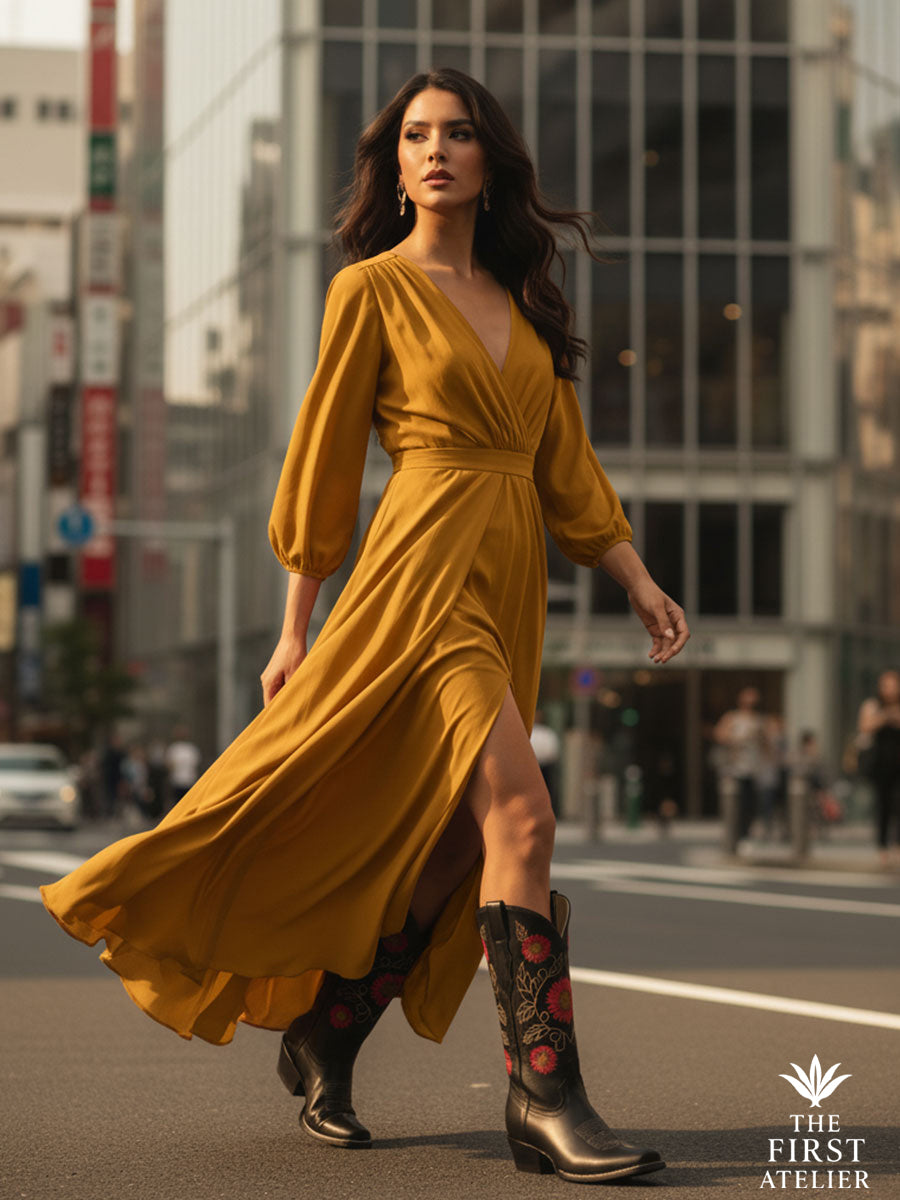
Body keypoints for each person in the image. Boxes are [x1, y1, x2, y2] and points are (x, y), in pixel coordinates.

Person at [40, 69, 689, 1184]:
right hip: (419, 581)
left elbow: (565, 467)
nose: (435, 150)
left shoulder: (526, 302)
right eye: (416, 135)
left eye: (458, 134)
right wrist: (294, 628)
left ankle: (327, 1035)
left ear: (490, 162)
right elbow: (326, 460)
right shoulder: (370, 290)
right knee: (524, 814)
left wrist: (633, 575)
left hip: (508, 581)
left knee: (456, 842)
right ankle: (545, 1097)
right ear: (394, 166)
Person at [856, 669, 900, 868]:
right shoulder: (872, 705)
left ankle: (897, 846)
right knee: (883, 804)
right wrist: (885, 716)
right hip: (881, 762)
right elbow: (864, 727)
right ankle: (882, 847)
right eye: (886, 685)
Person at [713, 685, 767, 842]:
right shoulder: (732, 717)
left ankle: (745, 833)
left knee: (750, 804)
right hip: (734, 768)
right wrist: (737, 739)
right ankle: (734, 834)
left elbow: (766, 744)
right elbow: (719, 735)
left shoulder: (759, 720)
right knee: (736, 802)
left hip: (753, 768)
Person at [529, 709, 561, 815]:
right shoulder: (528, 730)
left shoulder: (547, 732)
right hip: (531, 766)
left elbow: (553, 749)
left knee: (546, 790)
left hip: (545, 766)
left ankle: (547, 811)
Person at [163, 725, 202, 810]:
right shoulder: (173, 748)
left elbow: (195, 765)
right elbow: (169, 765)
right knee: (178, 805)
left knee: (188, 804)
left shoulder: (191, 749)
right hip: (177, 781)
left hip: (189, 780)